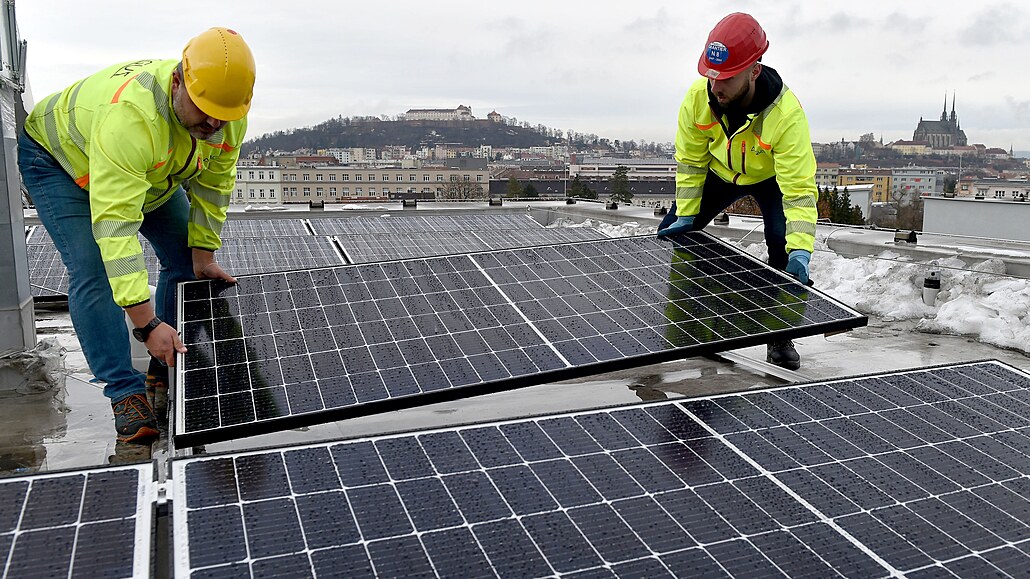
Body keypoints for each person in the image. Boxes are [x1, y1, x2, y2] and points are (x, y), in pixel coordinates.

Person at [18, 28, 255, 442]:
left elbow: (215, 186)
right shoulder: (132, 118)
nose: (215, 123)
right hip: (60, 161)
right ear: (178, 83)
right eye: (205, 110)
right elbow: (116, 226)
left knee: (185, 261)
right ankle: (125, 393)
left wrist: (202, 255)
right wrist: (146, 326)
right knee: (94, 269)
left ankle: (164, 367)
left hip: (150, 170)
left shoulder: (224, 116)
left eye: (225, 114)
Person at [657, 12, 818, 370]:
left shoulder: (786, 116)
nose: (716, 87)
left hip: (770, 178)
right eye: (711, 76)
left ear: (754, 71)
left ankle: (779, 335)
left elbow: (799, 191)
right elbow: (690, 163)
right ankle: (687, 327)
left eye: (726, 78)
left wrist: (802, 251)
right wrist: (686, 213)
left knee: (783, 246)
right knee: (677, 234)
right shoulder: (698, 99)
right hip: (719, 172)